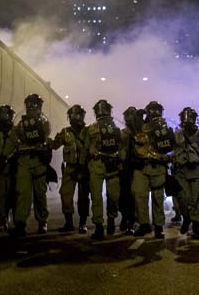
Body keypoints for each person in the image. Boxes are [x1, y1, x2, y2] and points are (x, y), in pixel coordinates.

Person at [5, 94, 52, 237]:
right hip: (24, 162)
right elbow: (13, 139)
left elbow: (46, 135)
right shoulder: (21, 123)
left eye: (33, 104)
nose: (31, 107)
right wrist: (4, 155)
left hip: (38, 161)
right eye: (29, 104)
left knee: (39, 194)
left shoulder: (43, 122)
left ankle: (42, 221)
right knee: (23, 194)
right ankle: (20, 223)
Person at [132, 101, 173, 239]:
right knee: (142, 196)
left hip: (154, 166)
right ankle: (147, 225)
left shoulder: (161, 128)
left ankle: (158, 226)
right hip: (144, 166)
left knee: (155, 197)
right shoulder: (147, 126)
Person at [172, 107, 199, 240]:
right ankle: (186, 218)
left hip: (194, 169)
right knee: (182, 199)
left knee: (195, 201)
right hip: (180, 170)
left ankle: (195, 228)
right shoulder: (177, 133)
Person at [50, 104, 91, 234]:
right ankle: (68, 223)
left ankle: (83, 223)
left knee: (83, 197)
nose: (76, 117)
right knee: (65, 195)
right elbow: (54, 145)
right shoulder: (65, 132)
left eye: (78, 114)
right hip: (70, 169)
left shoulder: (88, 132)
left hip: (84, 169)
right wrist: (43, 139)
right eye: (73, 114)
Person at [88, 100, 122, 240]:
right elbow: (86, 148)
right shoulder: (91, 129)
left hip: (112, 165)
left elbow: (122, 147)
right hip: (96, 165)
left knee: (113, 196)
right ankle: (99, 226)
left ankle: (112, 221)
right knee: (96, 197)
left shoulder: (117, 129)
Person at [118, 106, 141, 235]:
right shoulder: (123, 133)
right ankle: (125, 217)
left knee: (135, 195)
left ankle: (133, 220)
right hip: (125, 167)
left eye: (132, 115)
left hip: (137, 167)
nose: (129, 118)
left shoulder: (140, 133)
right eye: (127, 115)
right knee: (123, 196)